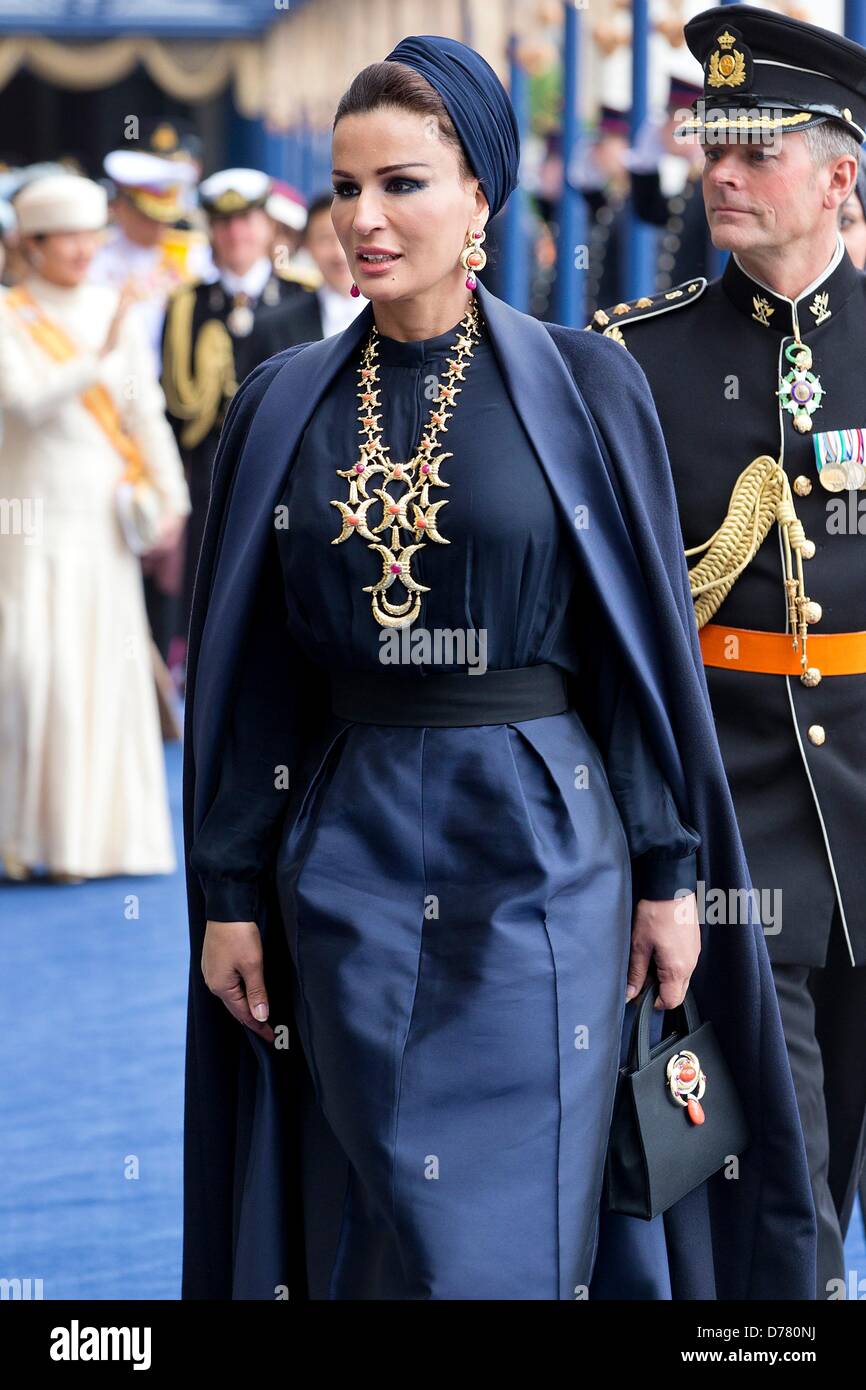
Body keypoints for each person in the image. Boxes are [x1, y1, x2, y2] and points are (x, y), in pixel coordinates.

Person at [181, 35, 815, 1300]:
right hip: (344, 859)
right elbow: (253, 680)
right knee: (373, 1211)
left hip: (542, 855)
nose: (363, 218)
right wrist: (230, 888)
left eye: (402, 184)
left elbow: (629, 658)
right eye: (345, 186)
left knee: (508, 1231)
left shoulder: (583, 386)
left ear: (480, 195)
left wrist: (667, 874)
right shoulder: (280, 403)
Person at [588, 3, 866, 1300]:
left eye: (756, 149)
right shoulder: (632, 368)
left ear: (836, 175)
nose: (720, 170)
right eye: (711, 141)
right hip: (736, 826)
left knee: (833, 1167)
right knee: (781, 1203)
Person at [0, 173, 190, 882]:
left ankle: (89, 844)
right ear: (34, 244)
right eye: (66, 237)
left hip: (101, 520)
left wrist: (171, 495)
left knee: (97, 667)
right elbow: (24, 403)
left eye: (91, 235)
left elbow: (142, 409)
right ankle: (18, 840)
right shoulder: (11, 314)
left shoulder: (115, 310)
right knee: (30, 668)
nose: (83, 249)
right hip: (27, 519)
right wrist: (101, 351)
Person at [161, 167, 311, 678]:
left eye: (246, 221)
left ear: (268, 227)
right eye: (223, 224)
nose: (236, 234)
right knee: (211, 603)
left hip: (287, 473)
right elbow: (176, 405)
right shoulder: (188, 304)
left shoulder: (299, 295)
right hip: (210, 477)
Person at [242, 191, 365, 361]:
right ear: (307, 246)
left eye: (346, 236)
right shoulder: (274, 325)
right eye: (325, 239)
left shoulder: (398, 316)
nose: (339, 253)